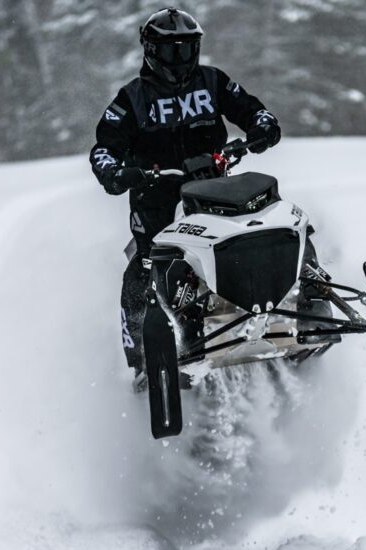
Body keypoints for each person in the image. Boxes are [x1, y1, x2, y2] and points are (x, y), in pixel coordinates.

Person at [89, 7, 281, 390]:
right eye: (170, 50)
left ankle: (303, 297)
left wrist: (263, 127)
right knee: (143, 270)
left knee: (266, 223)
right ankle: (143, 360)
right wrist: (115, 172)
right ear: (151, 51)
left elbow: (252, 109)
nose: (180, 58)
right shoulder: (132, 98)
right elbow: (103, 148)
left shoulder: (213, 82)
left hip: (214, 190)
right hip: (156, 199)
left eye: (186, 48)